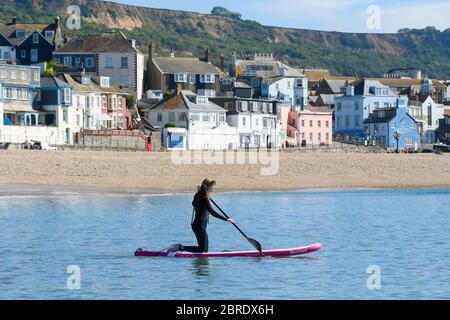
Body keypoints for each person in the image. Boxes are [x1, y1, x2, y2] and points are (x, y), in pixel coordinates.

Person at [168, 178, 235, 253]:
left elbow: (193, 203)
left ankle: (181, 247)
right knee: (203, 250)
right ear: (206, 186)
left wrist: (199, 192)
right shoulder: (204, 198)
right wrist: (226, 219)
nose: (213, 188)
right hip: (200, 226)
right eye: (211, 186)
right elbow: (212, 212)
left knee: (203, 250)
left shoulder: (198, 195)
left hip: (196, 225)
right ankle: (180, 247)